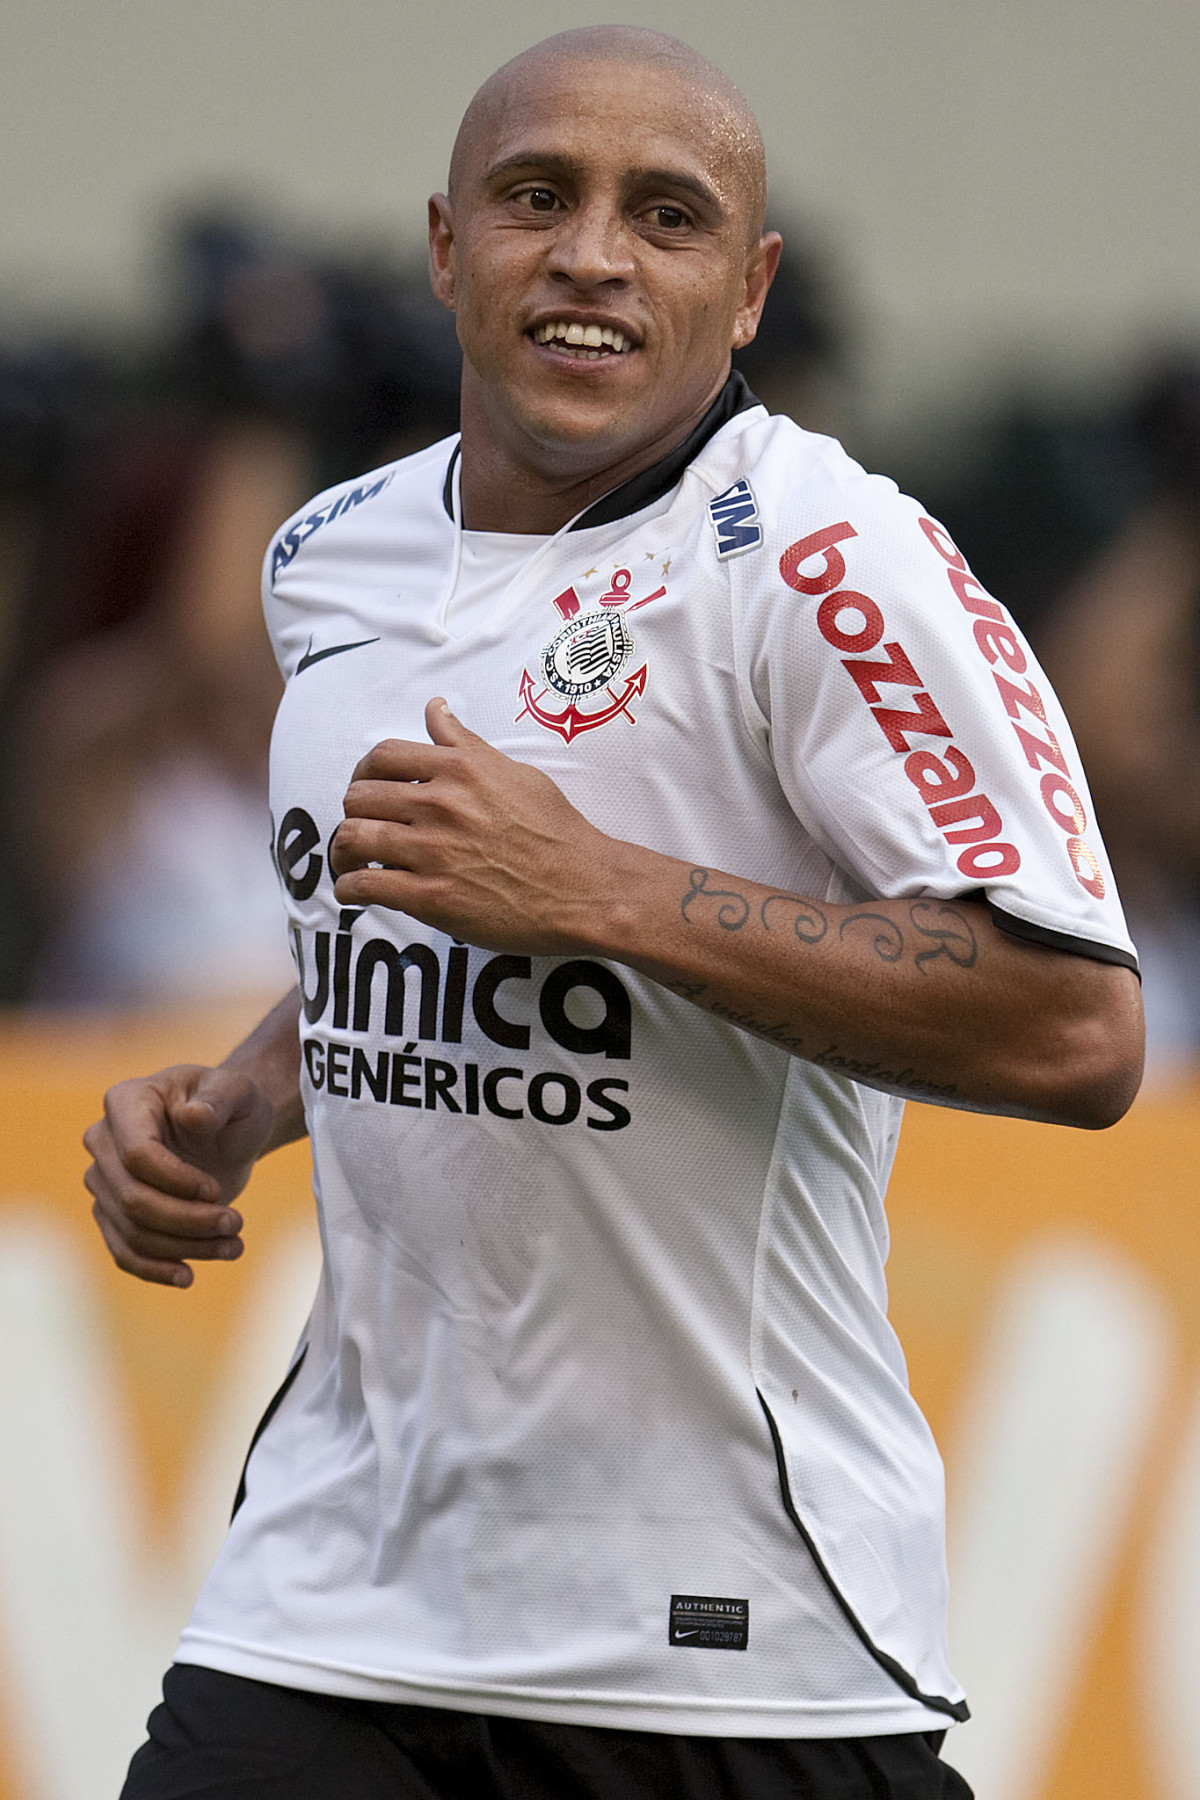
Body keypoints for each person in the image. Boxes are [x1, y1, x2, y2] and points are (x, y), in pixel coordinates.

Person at [84, 27, 1143, 1800]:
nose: (592, 255)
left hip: (731, 1642)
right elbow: (403, 922)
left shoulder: (823, 561)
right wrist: (242, 1103)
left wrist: (601, 894)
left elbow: (1076, 1026)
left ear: (749, 290)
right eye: (535, 199)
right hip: (340, 1601)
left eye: (666, 216)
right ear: (445, 249)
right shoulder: (326, 559)